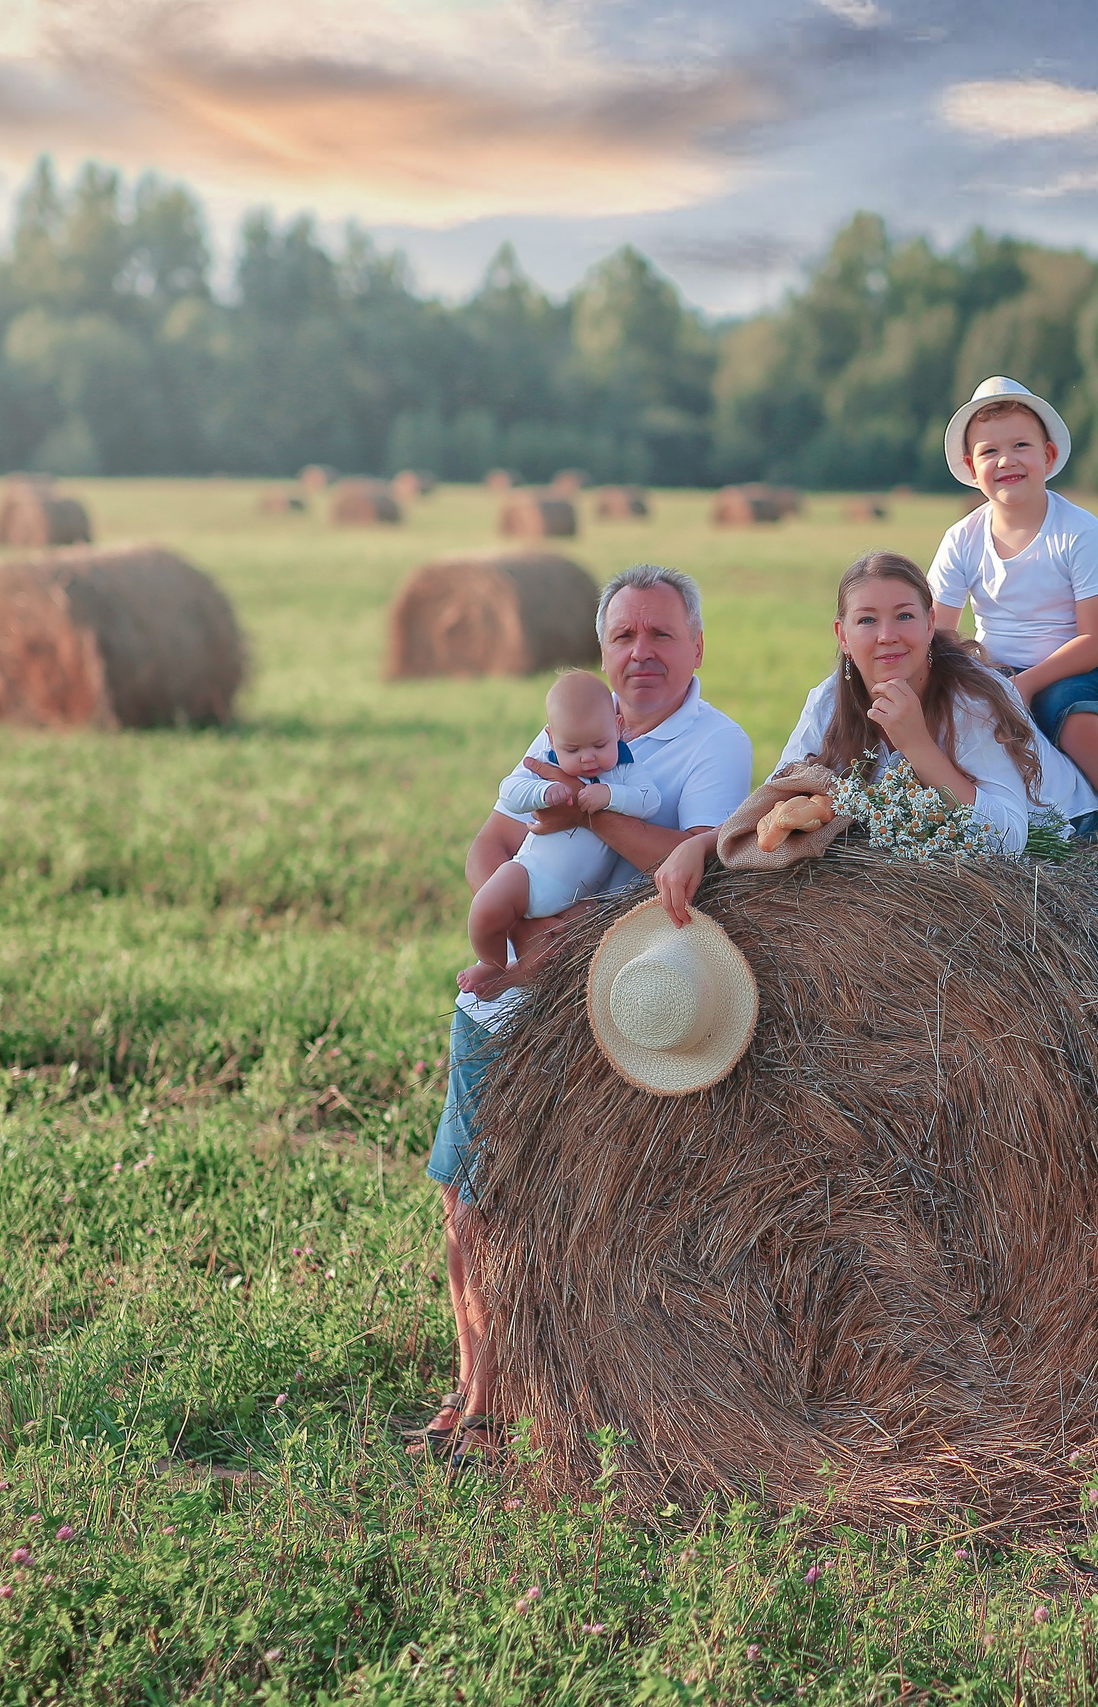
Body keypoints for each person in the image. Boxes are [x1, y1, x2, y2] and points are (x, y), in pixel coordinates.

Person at [416, 565, 754, 1461]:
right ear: (604, 648)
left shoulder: (713, 744)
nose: (640, 653)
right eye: (623, 637)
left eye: (661, 635)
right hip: (501, 999)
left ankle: (501, 1404)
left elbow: (696, 862)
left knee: (545, 1207)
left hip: (614, 1009)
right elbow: (493, 837)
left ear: (697, 647)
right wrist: (515, 920)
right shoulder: (577, 716)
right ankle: (474, 1385)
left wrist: (587, 805)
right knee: (466, 1200)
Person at [930, 375, 1098, 889]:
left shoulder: (1078, 531)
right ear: (971, 468)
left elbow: (1091, 643)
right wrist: (973, 683)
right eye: (989, 450)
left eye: (1020, 446)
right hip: (997, 669)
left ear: (1049, 455)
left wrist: (1027, 686)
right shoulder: (962, 539)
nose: (1006, 460)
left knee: (1072, 718)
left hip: (1072, 666)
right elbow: (939, 634)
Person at [779, 550, 1098, 853]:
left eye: (904, 616)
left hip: (1078, 830)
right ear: (842, 635)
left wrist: (918, 745)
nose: (887, 634)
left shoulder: (972, 699)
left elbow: (1009, 841)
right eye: (867, 620)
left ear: (930, 623)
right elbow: (778, 790)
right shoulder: (827, 701)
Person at [456, 670, 660, 996]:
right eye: (574, 749)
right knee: (484, 910)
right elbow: (509, 790)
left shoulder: (623, 770)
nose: (588, 757)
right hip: (528, 877)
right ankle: (491, 963)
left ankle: (516, 973)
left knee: (583, 929)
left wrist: (610, 798)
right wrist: (542, 794)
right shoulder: (547, 766)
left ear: (617, 729)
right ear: (551, 740)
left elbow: (650, 800)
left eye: (599, 744)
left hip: (578, 901)